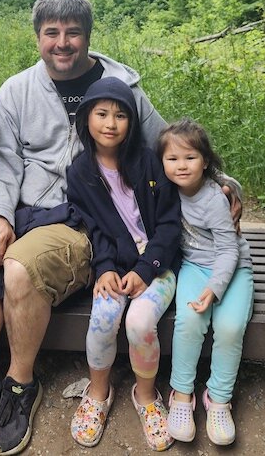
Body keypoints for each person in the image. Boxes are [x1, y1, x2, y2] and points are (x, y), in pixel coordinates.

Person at [0, 0, 240, 456]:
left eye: (72, 33)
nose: (62, 42)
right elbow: (2, 162)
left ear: (88, 36)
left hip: (83, 216)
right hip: (20, 206)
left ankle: (20, 387)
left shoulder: (123, 89)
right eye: (51, 32)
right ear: (37, 37)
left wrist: (222, 184)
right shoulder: (17, 91)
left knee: (18, 268)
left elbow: (171, 145)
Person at [65, 77, 180, 451]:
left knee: (140, 321)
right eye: (101, 114)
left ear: (132, 121)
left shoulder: (149, 162)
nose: (110, 124)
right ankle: (98, 393)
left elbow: (168, 224)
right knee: (103, 317)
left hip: (157, 266)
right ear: (86, 119)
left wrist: (147, 269)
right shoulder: (80, 172)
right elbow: (93, 227)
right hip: (114, 266)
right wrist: (105, 268)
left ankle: (145, 396)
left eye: (120, 115)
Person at [158, 119, 254, 446]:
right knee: (189, 319)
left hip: (231, 267)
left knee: (229, 328)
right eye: (172, 158)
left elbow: (229, 250)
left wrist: (215, 289)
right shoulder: (164, 189)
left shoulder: (214, 198)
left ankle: (218, 399)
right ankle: (182, 394)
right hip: (194, 267)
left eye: (190, 157)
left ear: (205, 161)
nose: (181, 166)